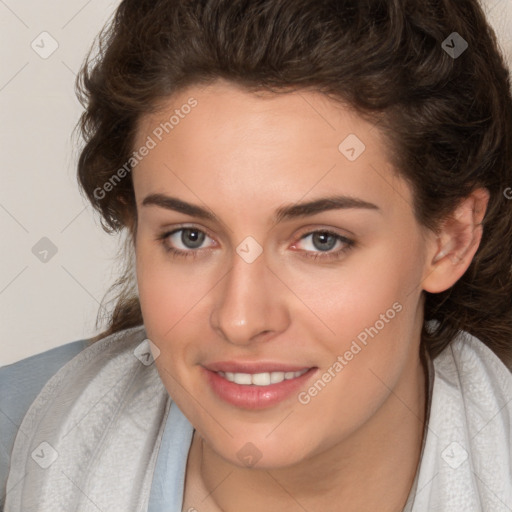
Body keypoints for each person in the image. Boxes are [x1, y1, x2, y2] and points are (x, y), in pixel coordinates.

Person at [1, 0, 512, 510]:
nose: (240, 319)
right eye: (190, 237)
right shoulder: (18, 429)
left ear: (450, 238)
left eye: (321, 240)